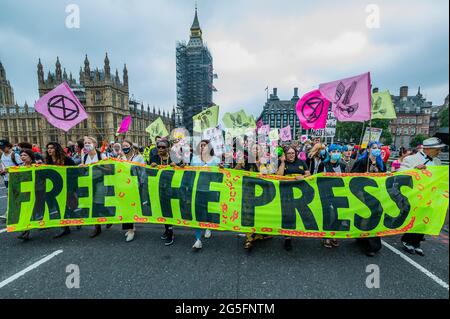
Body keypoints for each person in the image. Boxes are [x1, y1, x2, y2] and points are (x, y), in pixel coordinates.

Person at [399, 137, 447, 256]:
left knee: (425, 219)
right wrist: (415, 170)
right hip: (416, 195)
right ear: (428, 149)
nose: (439, 152)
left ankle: (417, 242)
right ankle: (407, 240)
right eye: (437, 149)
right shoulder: (411, 159)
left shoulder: (437, 162)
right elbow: (400, 173)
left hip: (430, 196)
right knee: (414, 218)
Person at [351, 142, 386, 257]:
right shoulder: (361, 162)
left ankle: (373, 245)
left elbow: (385, 177)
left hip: (376, 195)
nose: (377, 150)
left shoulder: (381, 163)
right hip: (362, 195)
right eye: (374, 148)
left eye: (379, 148)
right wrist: (362, 175)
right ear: (368, 149)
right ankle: (361, 238)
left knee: (374, 217)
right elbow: (351, 176)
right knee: (364, 216)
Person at [277, 145, 311, 251]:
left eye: (293, 153)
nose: (291, 155)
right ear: (285, 155)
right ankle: (287, 238)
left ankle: (299, 231)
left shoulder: (301, 162)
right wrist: (282, 162)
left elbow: (309, 173)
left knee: (302, 212)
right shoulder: (282, 163)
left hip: (301, 193)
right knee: (288, 214)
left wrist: (303, 177)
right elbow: (278, 175)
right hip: (286, 193)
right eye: (289, 153)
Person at [190, 140, 222, 250]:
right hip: (197, 190)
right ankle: (198, 239)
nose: (202, 147)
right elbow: (189, 174)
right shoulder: (194, 159)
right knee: (197, 213)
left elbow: (220, 176)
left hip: (211, 190)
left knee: (208, 210)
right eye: (201, 145)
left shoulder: (216, 160)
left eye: (205, 145)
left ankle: (208, 226)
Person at [45, 142, 76, 238]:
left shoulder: (66, 159)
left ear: (57, 149)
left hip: (66, 187)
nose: (49, 150)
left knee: (62, 207)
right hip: (54, 188)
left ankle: (65, 228)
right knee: (59, 206)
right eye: (48, 148)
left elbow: (74, 171)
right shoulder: (48, 160)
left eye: (51, 148)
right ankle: (74, 218)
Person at [149, 139, 177, 246]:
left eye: (163, 147)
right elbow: (149, 172)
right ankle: (166, 229)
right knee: (162, 210)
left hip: (171, 188)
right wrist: (151, 167)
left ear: (168, 148)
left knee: (169, 211)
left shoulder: (173, 158)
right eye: (158, 147)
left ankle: (170, 232)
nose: (160, 149)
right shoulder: (154, 158)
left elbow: (184, 168)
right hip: (159, 188)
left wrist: (177, 166)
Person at [118, 140, 146, 242]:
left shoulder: (139, 157)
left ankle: (130, 230)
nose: (124, 147)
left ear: (131, 146)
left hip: (135, 185)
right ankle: (131, 228)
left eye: (126, 145)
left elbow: (142, 170)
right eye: (123, 146)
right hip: (123, 185)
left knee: (131, 207)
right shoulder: (119, 157)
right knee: (125, 207)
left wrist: (141, 183)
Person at [81, 136, 109, 238]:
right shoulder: (84, 156)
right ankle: (97, 227)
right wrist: (82, 168)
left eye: (89, 142)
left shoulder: (102, 155)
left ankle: (108, 217)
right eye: (85, 143)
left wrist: (99, 166)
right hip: (90, 183)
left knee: (99, 204)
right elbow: (85, 170)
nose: (87, 144)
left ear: (95, 144)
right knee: (93, 205)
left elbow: (110, 170)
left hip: (100, 183)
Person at [322, 144, 347, 248]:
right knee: (327, 215)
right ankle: (327, 236)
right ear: (330, 152)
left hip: (340, 193)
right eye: (334, 151)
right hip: (326, 193)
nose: (336, 153)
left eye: (338, 151)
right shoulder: (323, 164)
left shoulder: (343, 165)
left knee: (339, 215)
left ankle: (334, 234)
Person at [16, 149, 36, 240]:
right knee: (24, 211)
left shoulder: (36, 166)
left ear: (30, 157)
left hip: (35, 192)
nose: (22, 157)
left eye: (25, 155)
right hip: (24, 193)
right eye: (21, 155)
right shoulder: (19, 167)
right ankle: (25, 231)